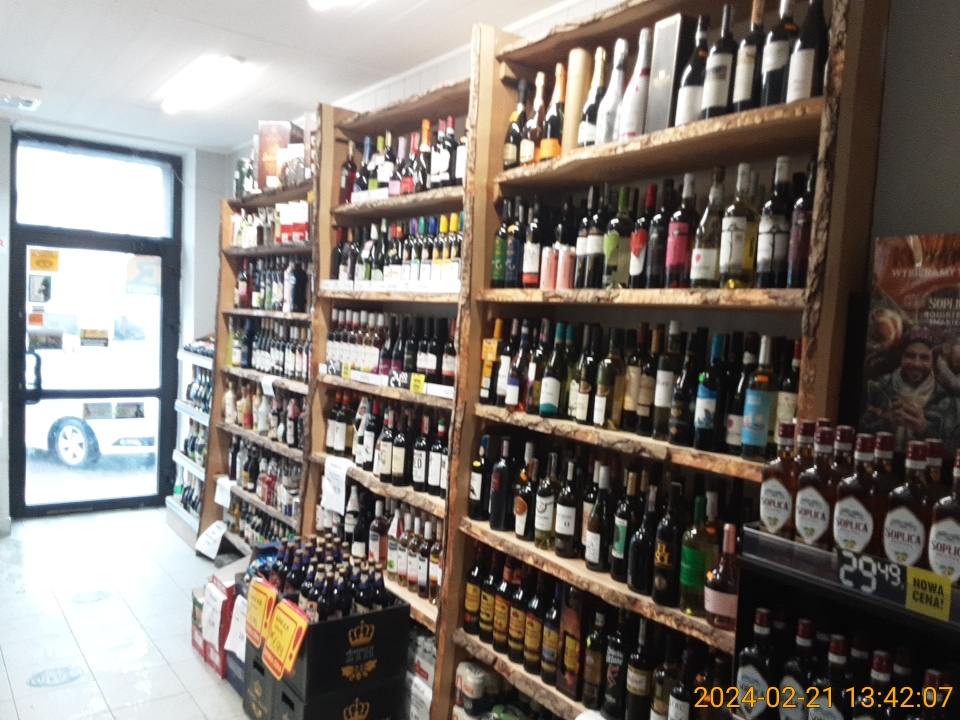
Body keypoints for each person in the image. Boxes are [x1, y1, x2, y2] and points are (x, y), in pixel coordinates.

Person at [860, 327, 955, 450]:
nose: (916, 364)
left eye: (924, 358)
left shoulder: (946, 399)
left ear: (933, 362)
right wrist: (885, 424)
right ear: (901, 358)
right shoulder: (876, 389)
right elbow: (857, 434)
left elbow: (953, 448)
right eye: (910, 356)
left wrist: (925, 431)